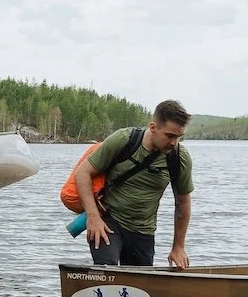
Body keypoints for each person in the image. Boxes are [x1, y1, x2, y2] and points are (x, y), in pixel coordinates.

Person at [70, 100, 193, 269]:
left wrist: (178, 247)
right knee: (108, 269)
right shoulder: (124, 140)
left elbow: (183, 204)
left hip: (143, 231)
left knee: (140, 285)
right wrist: (93, 218)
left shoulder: (179, 158)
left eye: (179, 137)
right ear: (153, 127)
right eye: (170, 136)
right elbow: (83, 173)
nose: (174, 143)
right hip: (108, 222)